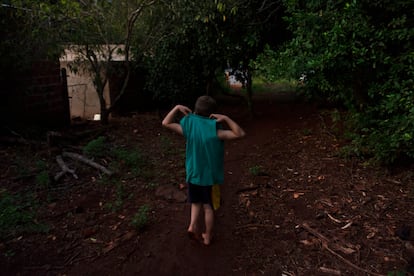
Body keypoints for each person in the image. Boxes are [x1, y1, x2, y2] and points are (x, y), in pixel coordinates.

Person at [162, 95, 246, 245]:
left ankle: (192, 225)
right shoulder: (215, 131)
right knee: (208, 208)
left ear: (195, 110)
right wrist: (226, 118)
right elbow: (240, 133)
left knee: (195, 203)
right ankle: (207, 236)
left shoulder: (189, 127)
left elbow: (166, 123)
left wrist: (176, 108)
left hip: (193, 174)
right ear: (212, 114)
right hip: (209, 177)